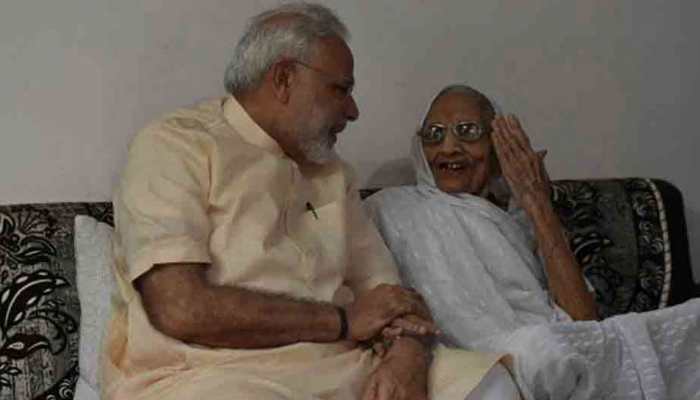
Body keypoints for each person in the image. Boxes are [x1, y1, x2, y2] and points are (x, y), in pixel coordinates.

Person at [103, 5, 521, 400]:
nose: (353, 111)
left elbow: (390, 295)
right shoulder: (175, 146)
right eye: (341, 89)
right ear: (284, 79)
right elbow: (180, 307)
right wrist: (341, 321)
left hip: (344, 365)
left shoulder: (333, 173)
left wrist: (408, 356)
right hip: (215, 374)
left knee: (489, 385)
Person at [364, 84, 700, 400]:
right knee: (540, 348)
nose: (448, 147)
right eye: (434, 135)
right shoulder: (391, 209)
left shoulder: (520, 220)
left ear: (497, 146)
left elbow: (585, 325)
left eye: (467, 131)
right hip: (486, 361)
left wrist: (538, 202)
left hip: (555, 352)